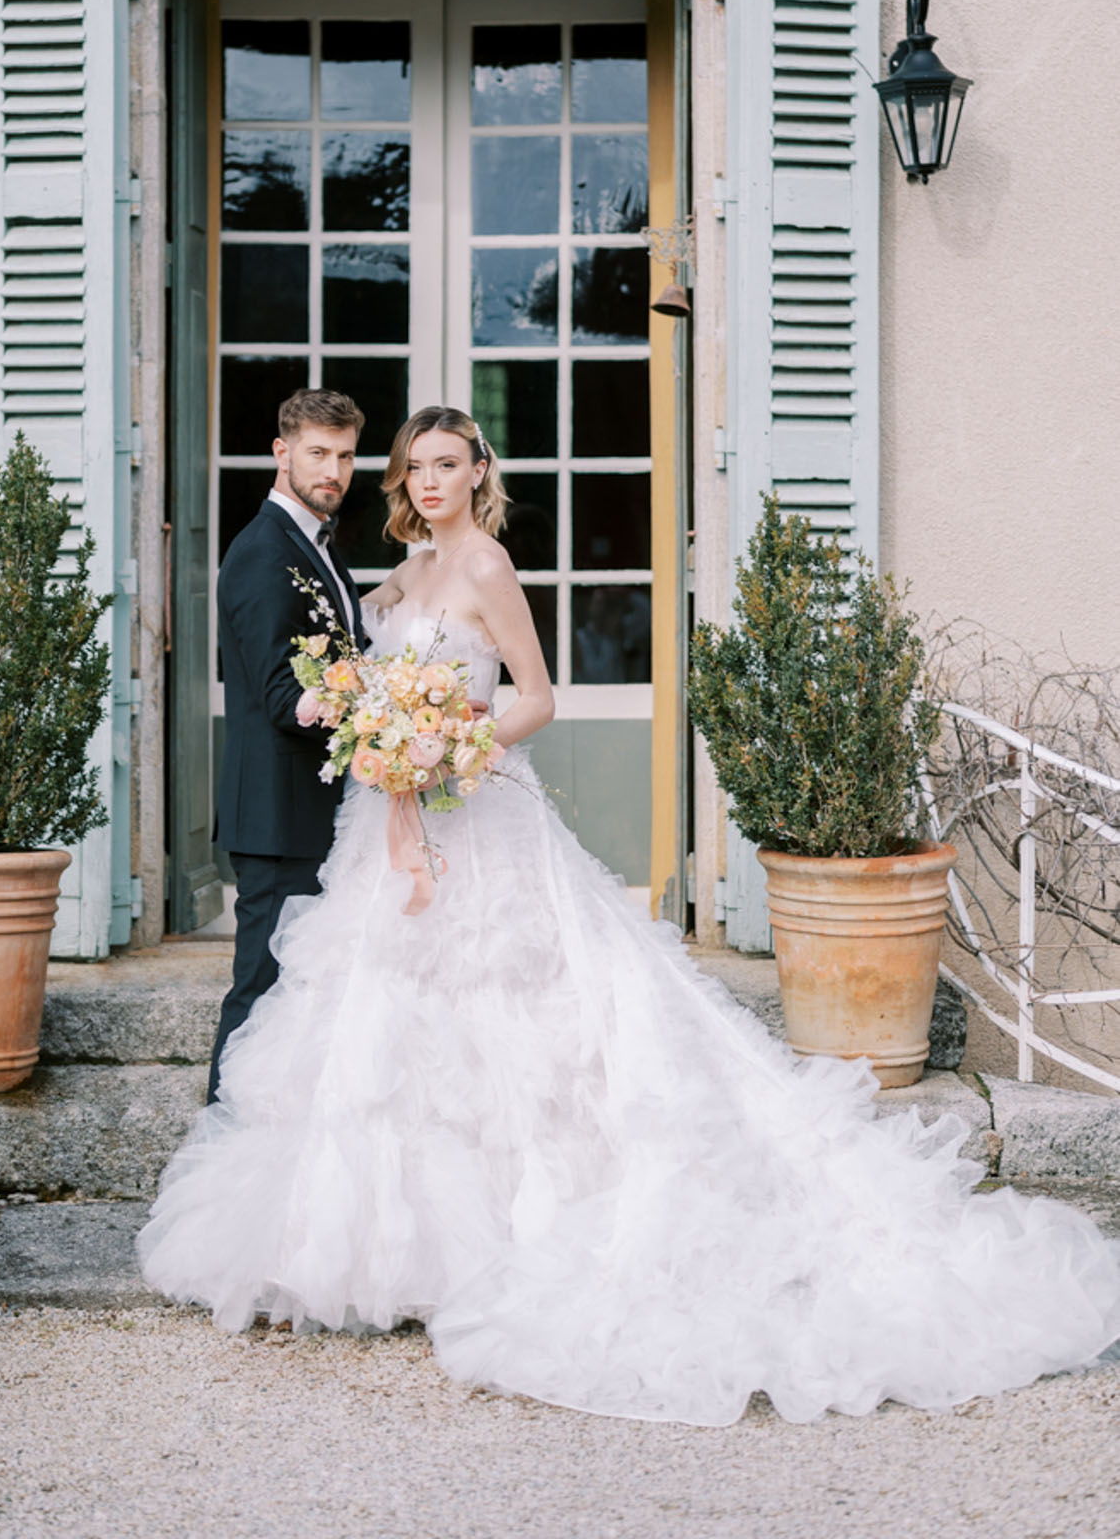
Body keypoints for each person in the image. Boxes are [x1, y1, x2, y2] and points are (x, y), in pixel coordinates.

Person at [140, 405, 1120, 1426]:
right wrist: (391, 735)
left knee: (517, 1018)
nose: (428, 481)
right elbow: (351, 675)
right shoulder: (399, 575)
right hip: (390, 828)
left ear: (478, 471)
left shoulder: (486, 567)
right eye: (413, 466)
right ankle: (388, 1251)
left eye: (446, 464)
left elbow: (536, 696)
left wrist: (456, 745)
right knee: (381, 1027)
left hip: (476, 815)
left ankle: (515, 1233)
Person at [203, 387, 364, 1105]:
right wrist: (378, 714)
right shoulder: (262, 553)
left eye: (346, 456)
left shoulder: (311, 543)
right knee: (259, 990)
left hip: (310, 811)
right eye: (318, 453)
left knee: (296, 992)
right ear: (282, 452)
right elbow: (282, 697)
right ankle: (222, 1132)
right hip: (277, 816)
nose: (333, 471)